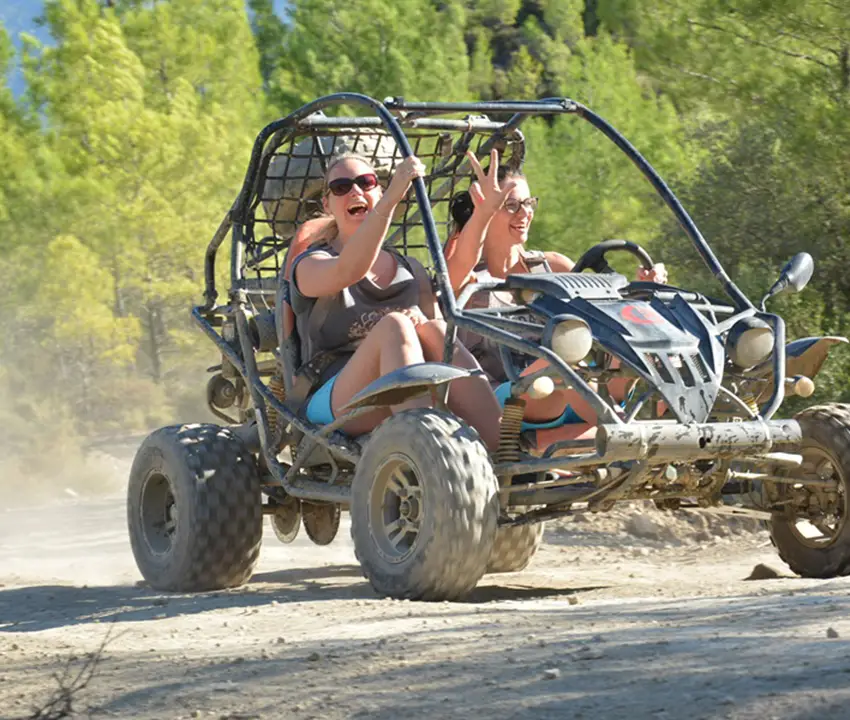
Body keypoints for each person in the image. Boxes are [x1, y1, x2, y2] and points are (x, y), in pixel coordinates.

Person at [444, 150, 668, 445]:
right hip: (510, 398)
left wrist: (644, 292)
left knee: (646, 344)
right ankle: (619, 437)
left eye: (528, 203)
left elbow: (608, 311)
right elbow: (454, 273)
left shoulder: (553, 266)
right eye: (510, 206)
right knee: (557, 364)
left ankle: (675, 436)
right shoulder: (469, 275)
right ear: (484, 209)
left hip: (575, 392)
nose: (524, 213)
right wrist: (482, 214)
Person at [286, 152, 503, 450]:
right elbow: (348, 269)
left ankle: (505, 451)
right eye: (341, 187)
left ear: (376, 189)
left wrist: (484, 214)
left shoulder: (409, 268)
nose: (355, 192)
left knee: (436, 330)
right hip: (333, 399)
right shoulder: (311, 264)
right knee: (395, 326)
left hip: (405, 396)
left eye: (366, 182)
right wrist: (391, 198)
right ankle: (432, 453)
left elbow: (455, 275)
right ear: (327, 204)